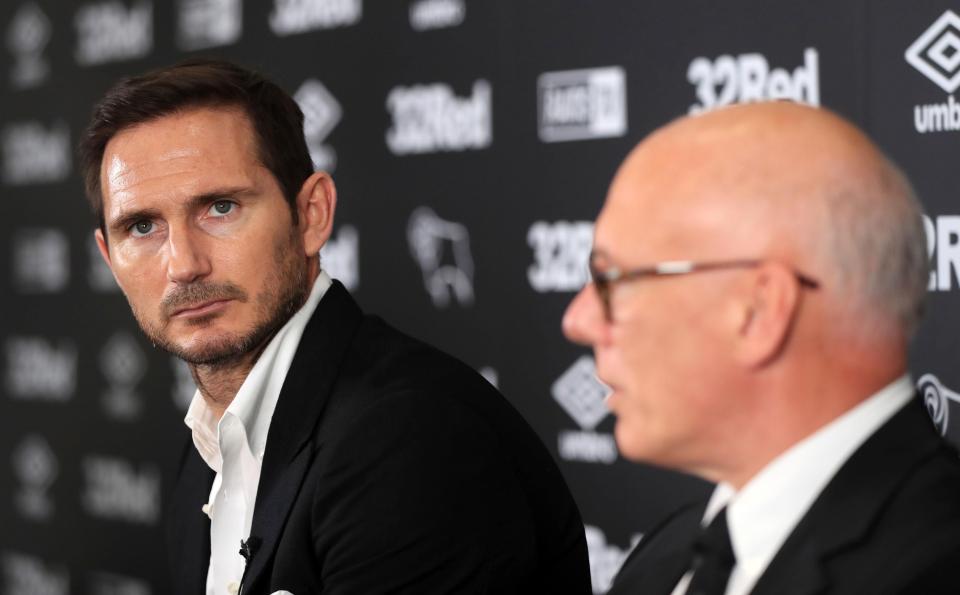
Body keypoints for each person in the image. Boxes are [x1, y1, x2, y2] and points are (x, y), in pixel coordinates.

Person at [80, 58, 590, 595]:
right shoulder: (207, 449)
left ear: (312, 214)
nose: (183, 264)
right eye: (141, 226)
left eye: (221, 207)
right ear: (109, 258)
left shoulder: (408, 437)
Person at [563, 101, 960, 594]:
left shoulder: (935, 570)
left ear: (759, 312)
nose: (578, 321)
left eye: (613, 279)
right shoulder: (667, 557)